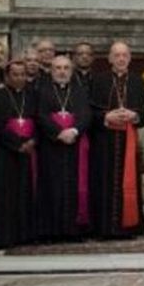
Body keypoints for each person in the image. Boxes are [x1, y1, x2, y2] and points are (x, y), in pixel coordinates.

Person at [90, 42, 144, 238]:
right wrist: (106, 117)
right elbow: (90, 111)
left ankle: (129, 227)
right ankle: (104, 227)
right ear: (109, 59)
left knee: (130, 182)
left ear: (130, 58)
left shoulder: (138, 81)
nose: (121, 59)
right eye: (117, 55)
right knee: (104, 182)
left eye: (124, 55)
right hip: (104, 142)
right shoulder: (98, 80)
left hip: (129, 141)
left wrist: (134, 116)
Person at [36, 55, 92, 239]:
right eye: (58, 68)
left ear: (71, 71)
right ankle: (51, 230)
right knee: (51, 187)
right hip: (51, 147)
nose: (62, 71)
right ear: (51, 71)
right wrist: (59, 133)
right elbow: (40, 116)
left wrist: (74, 131)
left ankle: (73, 230)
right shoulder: (42, 91)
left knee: (73, 186)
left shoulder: (80, 91)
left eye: (66, 68)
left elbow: (86, 115)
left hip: (74, 146)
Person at [0, 61, 39, 247]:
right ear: (7, 76)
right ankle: (7, 236)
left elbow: (37, 120)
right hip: (7, 152)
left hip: (29, 151)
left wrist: (33, 140)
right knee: (7, 195)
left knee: (26, 192)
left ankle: (26, 234)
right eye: (15, 74)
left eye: (22, 74)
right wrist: (18, 144)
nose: (19, 78)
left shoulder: (32, 94)